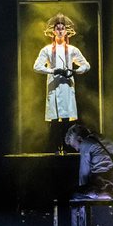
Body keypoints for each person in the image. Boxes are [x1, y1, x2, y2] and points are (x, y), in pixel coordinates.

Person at [33, 13, 91, 154]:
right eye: (57, 28)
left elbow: (86, 65)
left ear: (66, 31)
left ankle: (65, 148)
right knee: (54, 121)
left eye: (62, 28)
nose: (59, 30)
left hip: (66, 87)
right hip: (53, 87)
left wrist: (74, 71)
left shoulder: (72, 50)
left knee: (65, 120)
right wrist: (53, 70)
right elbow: (37, 66)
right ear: (53, 31)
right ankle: (54, 148)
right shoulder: (46, 50)